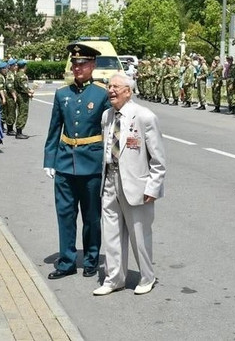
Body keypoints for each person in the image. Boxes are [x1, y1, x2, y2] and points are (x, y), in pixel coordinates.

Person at [92, 72, 166, 296]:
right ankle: (114, 278)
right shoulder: (107, 116)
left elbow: (158, 159)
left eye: (116, 87)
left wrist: (153, 187)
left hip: (136, 185)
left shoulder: (144, 117)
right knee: (111, 234)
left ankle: (147, 277)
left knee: (139, 235)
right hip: (110, 180)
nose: (111, 90)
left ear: (128, 91)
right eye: (109, 86)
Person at [43, 42, 110, 280]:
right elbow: (54, 130)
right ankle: (67, 261)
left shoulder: (102, 94)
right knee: (65, 214)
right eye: (74, 64)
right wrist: (49, 160)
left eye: (82, 64)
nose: (77, 68)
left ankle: (92, 258)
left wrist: (109, 161)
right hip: (64, 163)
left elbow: (111, 130)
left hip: (91, 163)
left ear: (92, 65)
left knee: (91, 216)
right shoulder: (63, 94)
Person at [13, 59, 32, 139]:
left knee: (20, 112)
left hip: (19, 95)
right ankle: (19, 132)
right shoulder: (22, 75)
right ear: (24, 66)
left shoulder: (17, 74)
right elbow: (24, 87)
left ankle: (19, 131)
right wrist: (30, 91)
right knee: (23, 113)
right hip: (23, 97)